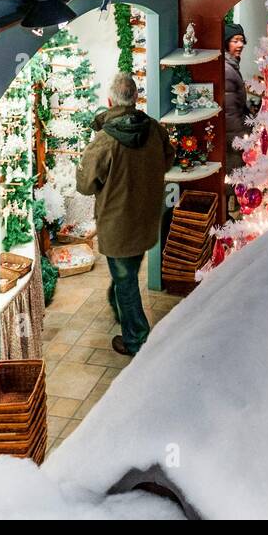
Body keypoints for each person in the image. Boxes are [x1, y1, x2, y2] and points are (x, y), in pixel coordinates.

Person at [76, 73, 175, 356]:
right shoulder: (154, 129)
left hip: (116, 222)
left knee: (126, 280)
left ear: (110, 101)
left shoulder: (104, 141)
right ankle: (119, 304)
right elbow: (168, 159)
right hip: (145, 219)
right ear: (136, 99)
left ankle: (136, 339)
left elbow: (84, 185)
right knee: (126, 273)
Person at [223, 22, 252, 163]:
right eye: (235, 41)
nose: (240, 45)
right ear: (226, 43)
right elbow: (230, 114)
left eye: (241, 40)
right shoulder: (227, 71)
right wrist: (241, 141)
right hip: (234, 140)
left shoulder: (232, 66)